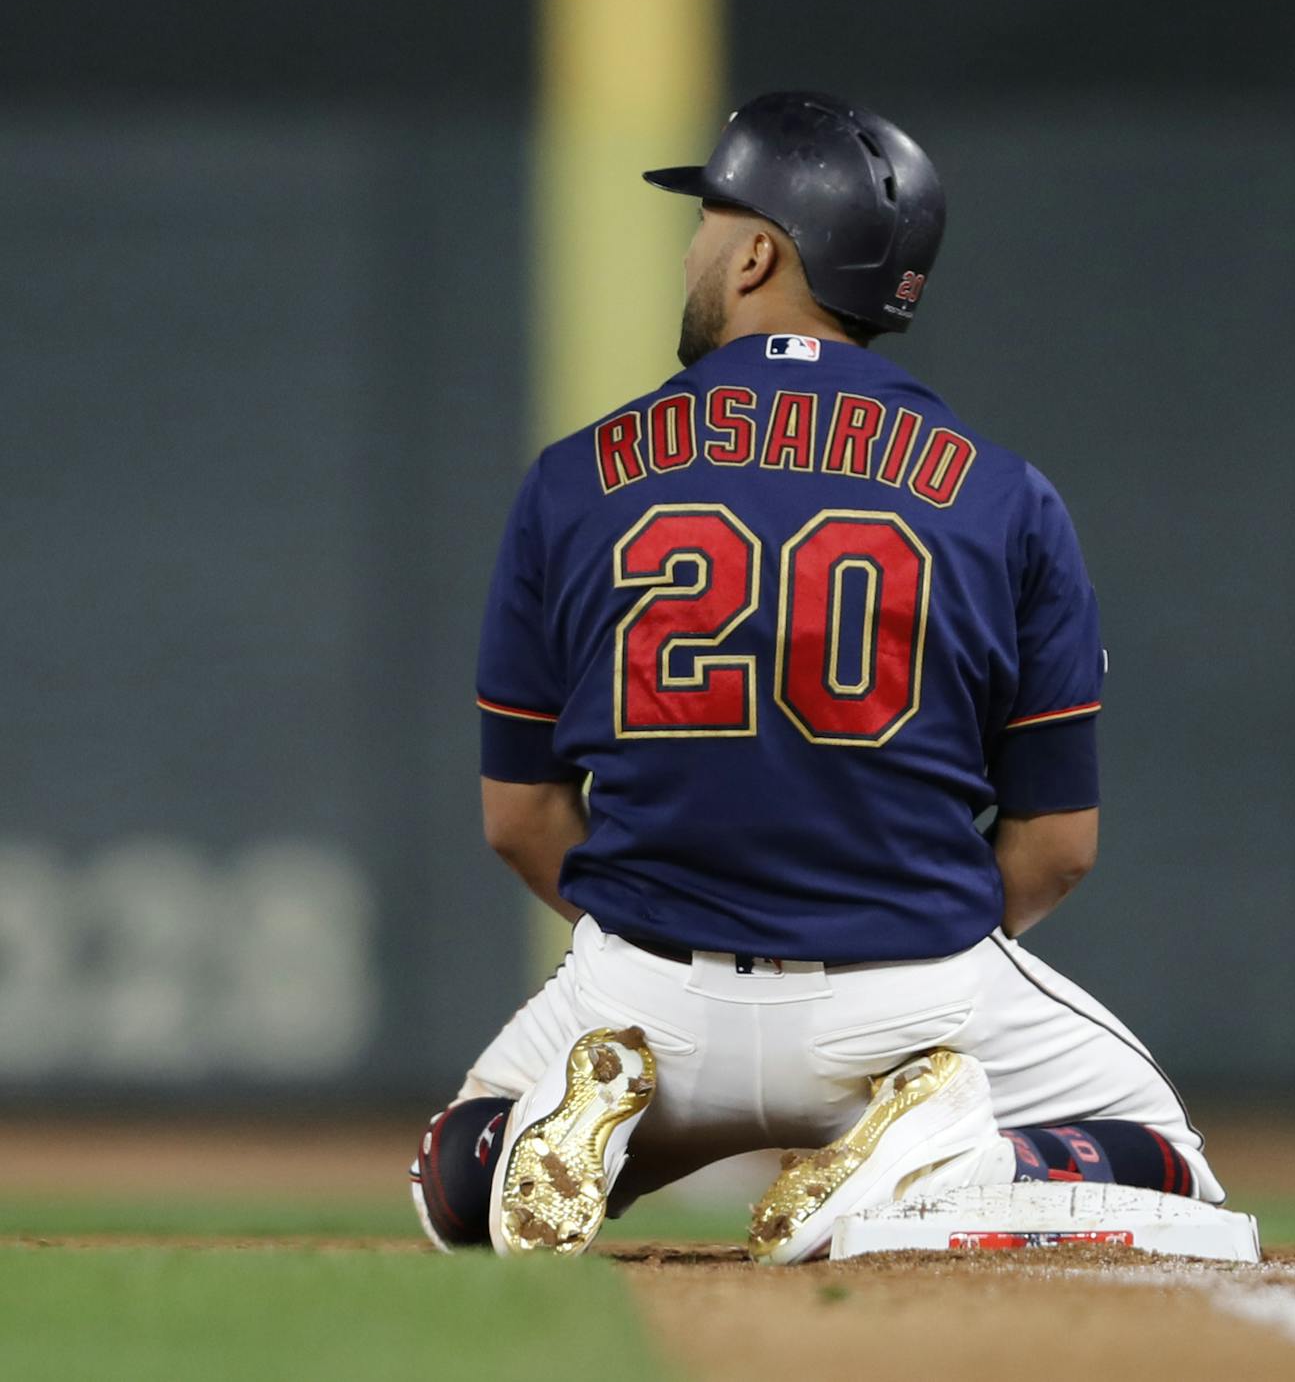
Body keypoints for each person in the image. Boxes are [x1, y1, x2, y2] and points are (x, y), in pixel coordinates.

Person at [410, 91, 1224, 1263]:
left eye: (710, 218)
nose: (693, 245)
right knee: (1164, 1166)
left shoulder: (573, 478)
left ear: (754, 253)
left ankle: (572, 1126)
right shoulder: (1002, 495)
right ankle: (960, 1153)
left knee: (456, 1176)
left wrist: (685, 955)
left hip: (648, 992)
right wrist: (873, 948)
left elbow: (517, 816)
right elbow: (1057, 845)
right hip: (909, 996)